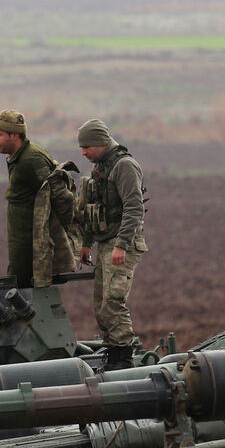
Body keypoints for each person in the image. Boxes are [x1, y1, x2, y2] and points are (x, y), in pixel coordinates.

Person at [76, 119, 146, 371]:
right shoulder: (101, 167)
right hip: (106, 242)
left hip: (122, 243)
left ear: (101, 143)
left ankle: (123, 356)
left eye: (87, 147)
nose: (83, 153)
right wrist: (86, 243)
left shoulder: (124, 166)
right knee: (100, 305)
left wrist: (122, 245)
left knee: (113, 301)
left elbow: (134, 208)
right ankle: (114, 350)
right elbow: (94, 209)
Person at [0, 109, 56, 287]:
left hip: (30, 245)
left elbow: (57, 195)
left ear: (14, 135)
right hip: (20, 241)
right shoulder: (18, 158)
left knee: (22, 291)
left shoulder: (31, 159)